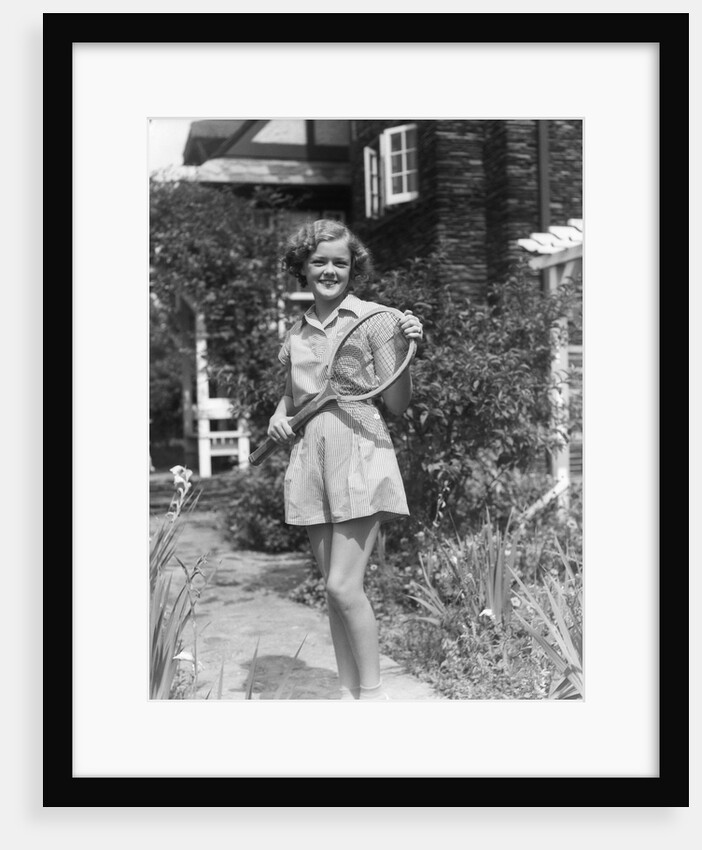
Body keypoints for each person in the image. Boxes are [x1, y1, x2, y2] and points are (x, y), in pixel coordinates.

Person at [267, 219, 423, 701]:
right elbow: (293, 398)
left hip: (360, 450)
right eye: (319, 261)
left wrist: (406, 348)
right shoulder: (296, 330)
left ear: (354, 266)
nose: (330, 270)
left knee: (341, 586)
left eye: (340, 261)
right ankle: (347, 694)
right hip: (311, 456)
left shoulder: (377, 319)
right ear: (302, 268)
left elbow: (396, 402)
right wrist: (277, 416)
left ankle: (375, 698)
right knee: (334, 595)